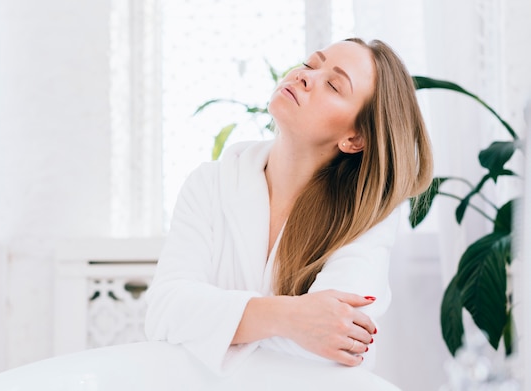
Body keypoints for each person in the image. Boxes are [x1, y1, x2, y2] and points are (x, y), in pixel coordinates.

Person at [144, 38, 433, 375]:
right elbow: (164, 312)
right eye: (311, 64)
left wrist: (214, 325)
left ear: (355, 139)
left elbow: (337, 342)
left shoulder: (367, 216)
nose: (305, 77)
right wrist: (291, 317)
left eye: (333, 85)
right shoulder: (209, 183)